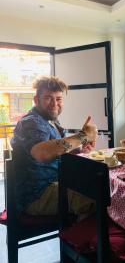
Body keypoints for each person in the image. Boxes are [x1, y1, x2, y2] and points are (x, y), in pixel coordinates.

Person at [11, 76, 98, 218]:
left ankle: (80, 233)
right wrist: (83, 136)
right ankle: (80, 238)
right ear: (36, 100)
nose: (54, 104)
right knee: (97, 196)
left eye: (58, 99)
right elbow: (41, 153)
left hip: (55, 183)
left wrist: (79, 149)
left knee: (98, 185)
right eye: (48, 98)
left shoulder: (51, 122)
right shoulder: (31, 122)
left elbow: (56, 150)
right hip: (37, 195)